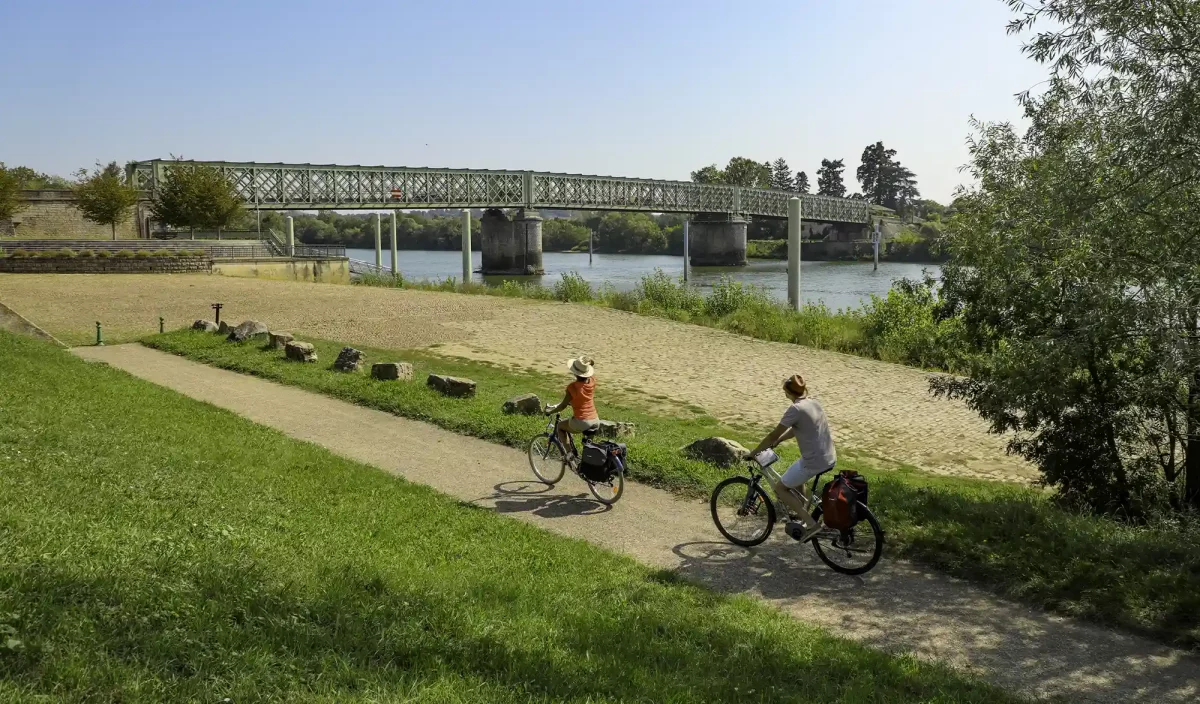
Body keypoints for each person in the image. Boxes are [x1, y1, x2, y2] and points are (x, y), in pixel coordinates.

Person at [746, 374, 837, 542]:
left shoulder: (795, 409)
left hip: (814, 461)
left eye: (785, 392)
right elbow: (796, 429)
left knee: (780, 488)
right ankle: (802, 512)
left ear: (789, 392)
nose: (784, 394)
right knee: (797, 472)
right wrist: (781, 440)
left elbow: (773, 434)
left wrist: (755, 452)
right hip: (828, 456)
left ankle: (811, 524)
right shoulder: (813, 403)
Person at [544, 356, 600, 458]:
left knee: (560, 427)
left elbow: (562, 406)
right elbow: (582, 397)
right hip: (595, 420)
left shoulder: (572, 387)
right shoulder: (592, 381)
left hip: (582, 421)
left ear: (574, 372)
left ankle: (569, 454)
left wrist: (550, 412)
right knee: (587, 447)